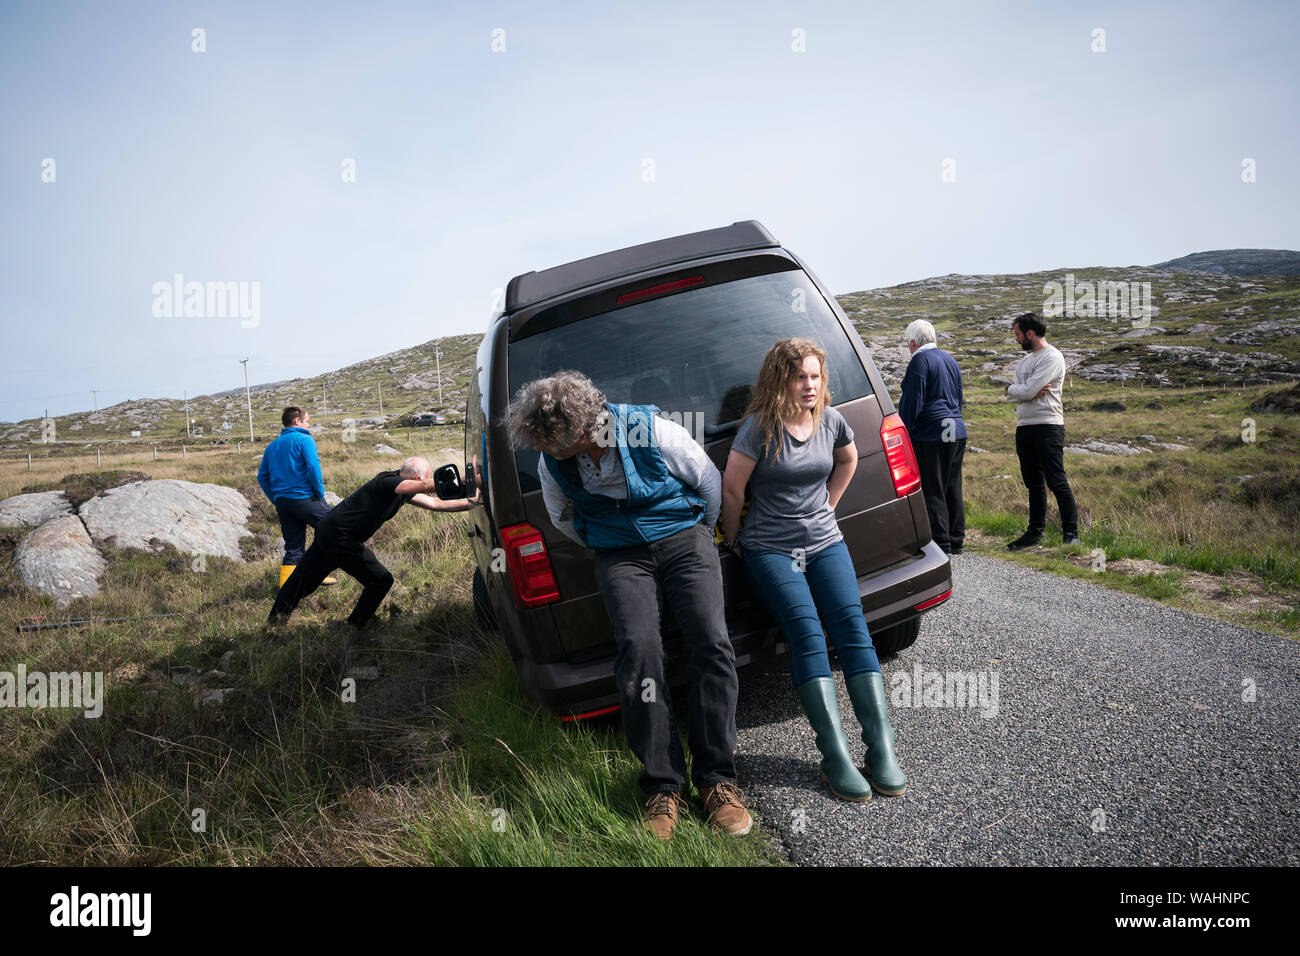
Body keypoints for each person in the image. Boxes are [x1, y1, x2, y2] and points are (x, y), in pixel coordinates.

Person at [506, 370, 751, 841]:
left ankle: (717, 779)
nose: (542, 451)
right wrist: (606, 544)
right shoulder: (552, 460)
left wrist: (701, 534)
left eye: (549, 442)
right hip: (619, 554)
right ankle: (662, 784)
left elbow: (706, 480)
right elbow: (562, 518)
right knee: (638, 652)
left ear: (581, 431)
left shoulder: (651, 429)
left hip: (682, 535)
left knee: (711, 640)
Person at [721, 338, 907, 802]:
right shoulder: (758, 429)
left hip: (825, 542)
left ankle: (881, 751)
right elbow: (731, 490)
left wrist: (828, 504)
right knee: (806, 634)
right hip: (771, 548)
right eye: (799, 376)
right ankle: (836, 757)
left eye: (815, 376)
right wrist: (735, 541)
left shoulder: (831, 420)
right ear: (780, 379)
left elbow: (846, 459)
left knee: (852, 630)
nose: (809, 385)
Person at [267, 457, 472, 636]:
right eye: (426, 479)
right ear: (419, 478)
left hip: (330, 532)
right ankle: (354, 626)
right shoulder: (387, 480)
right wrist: (435, 484)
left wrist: (473, 503)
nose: (427, 482)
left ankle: (273, 624)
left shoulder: (403, 490)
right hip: (339, 536)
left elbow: (437, 504)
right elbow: (412, 487)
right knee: (380, 580)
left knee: (301, 582)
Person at [1003, 312, 1079, 549]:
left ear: (1030, 333)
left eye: (1018, 335)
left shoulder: (1053, 357)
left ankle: (1071, 535)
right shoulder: (1025, 362)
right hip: (1024, 427)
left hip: (1048, 426)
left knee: (1056, 481)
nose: (1016, 340)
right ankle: (1035, 532)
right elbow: (1014, 394)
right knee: (1033, 483)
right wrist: (1017, 390)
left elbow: (1021, 392)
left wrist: (1018, 390)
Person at [899, 319, 967, 556]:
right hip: (955, 428)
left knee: (933, 487)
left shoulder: (919, 360)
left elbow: (912, 400)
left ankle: (941, 542)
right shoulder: (950, 359)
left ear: (913, 342)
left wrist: (904, 430)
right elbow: (959, 397)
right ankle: (957, 538)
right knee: (952, 485)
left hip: (932, 431)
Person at [257, 406, 337, 588]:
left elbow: (262, 477)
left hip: (283, 504)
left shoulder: (272, 446)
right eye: (307, 420)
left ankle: (287, 590)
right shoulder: (304, 439)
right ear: (297, 421)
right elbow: (313, 468)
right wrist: (319, 493)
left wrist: (276, 498)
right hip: (305, 499)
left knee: (293, 546)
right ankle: (318, 575)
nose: (309, 424)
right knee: (335, 528)